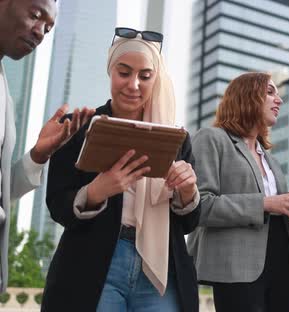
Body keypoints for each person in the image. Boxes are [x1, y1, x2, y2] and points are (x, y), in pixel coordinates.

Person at [41, 28, 200, 311]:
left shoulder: (177, 138)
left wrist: (188, 192)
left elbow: (189, 224)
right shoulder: (78, 126)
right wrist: (96, 191)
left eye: (145, 76)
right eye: (124, 73)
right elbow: (57, 203)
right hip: (94, 264)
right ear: (110, 71)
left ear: (156, 79)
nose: (133, 84)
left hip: (161, 269)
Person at [187, 72, 289, 312]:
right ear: (246, 96)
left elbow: (278, 216)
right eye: (270, 92)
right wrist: (267, 203)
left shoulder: (270, 159)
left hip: (285, 268)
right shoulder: (211, 138)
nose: (279, 100)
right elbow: (201, 206)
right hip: (237, 270)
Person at [0, 0, 95, 292]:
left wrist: (39, 155)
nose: (41, 32)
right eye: (35, 15)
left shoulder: (5, 95)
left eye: (49, 28)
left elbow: (5, 195)